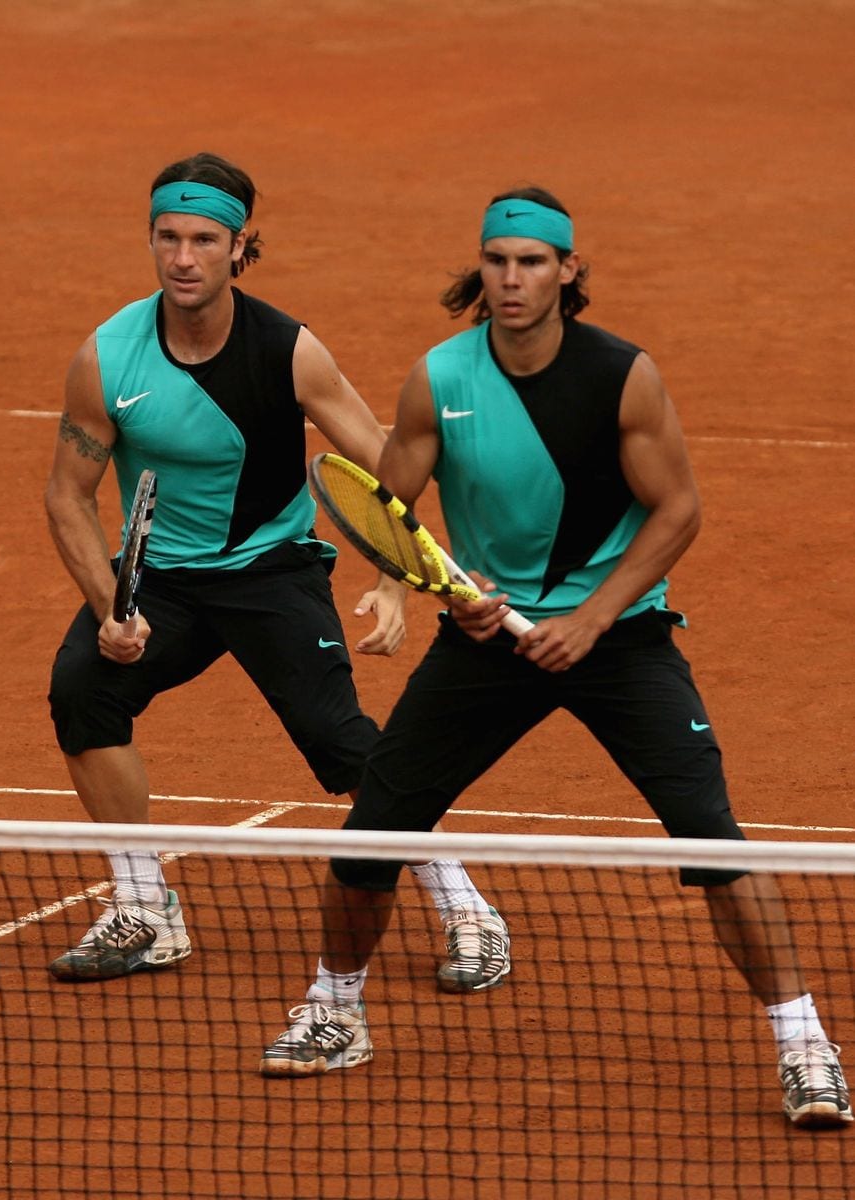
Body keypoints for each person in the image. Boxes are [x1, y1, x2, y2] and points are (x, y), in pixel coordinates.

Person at [260, 185, 852, 1130]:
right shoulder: (440, 379)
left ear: (567, 271)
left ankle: (805, 1042)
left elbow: (678, 511)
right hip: (487, 639)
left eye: (531, 262)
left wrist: (595, 616)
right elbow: (392, 507)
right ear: (480, 270)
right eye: (496, 261)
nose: (511, 279)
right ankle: (335, 1010)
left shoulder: (623, 376)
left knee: (711, 835)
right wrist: (396, 589)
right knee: (375, 832)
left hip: (620, 642)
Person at [44, 152, 509, 989]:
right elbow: (67, 497)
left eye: (204, 240)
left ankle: (469, 909)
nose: (183, 258)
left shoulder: (289, 352)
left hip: (270, 572)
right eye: (168, 237)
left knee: (338, 742)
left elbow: (383, 468)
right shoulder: (108, 358)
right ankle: (144, 905)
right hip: (165, 583)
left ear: (239, 248)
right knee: (83, 688)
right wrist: (108, 606)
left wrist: (394, 579)